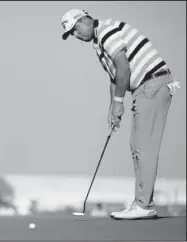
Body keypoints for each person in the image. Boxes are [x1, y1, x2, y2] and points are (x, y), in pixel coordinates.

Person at [60, 9, 180, 220]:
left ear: (85, 19)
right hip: (146, 88)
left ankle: (144, 205)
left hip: (152, 83)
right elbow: (115, 77)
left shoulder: (106, 31)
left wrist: (118, 103)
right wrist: (112, 108)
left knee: (144, 146)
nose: (77, 35)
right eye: (72, 34)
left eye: (76, 29)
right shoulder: (98, 44)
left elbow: (123, 67)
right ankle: (142, 202)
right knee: (137, 146)